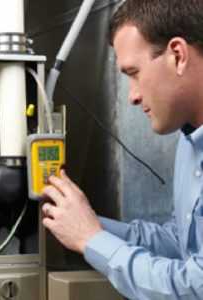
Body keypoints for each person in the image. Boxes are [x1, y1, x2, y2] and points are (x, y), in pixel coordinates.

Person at [41, 0, 203, 299]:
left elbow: (195, 287)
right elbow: (180, 242)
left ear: (178, 56)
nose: (133, 96)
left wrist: (91, 239)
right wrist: (83, 222)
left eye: (134, 72)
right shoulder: (189, 143)